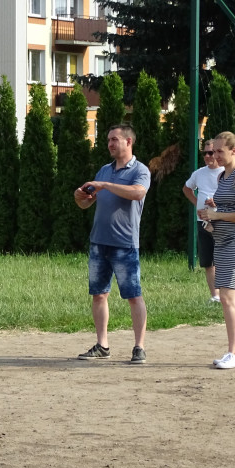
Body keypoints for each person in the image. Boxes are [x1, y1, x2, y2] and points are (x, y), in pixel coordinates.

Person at [74, 123, 151, 364]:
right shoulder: (104, 170)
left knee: (133, 296)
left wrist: (105, 185)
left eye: (114, 139)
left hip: (125, 243)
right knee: (99, 295)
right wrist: (81, 199)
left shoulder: (140, 170)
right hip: (99, 242)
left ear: (129, 142)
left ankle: (139, 347)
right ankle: (102, 345)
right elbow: (89, 202)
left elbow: (138, 193)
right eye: (108, 139)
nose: (109, 143)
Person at [199, 131, 235, 370]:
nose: (215, 156)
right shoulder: (224, 176)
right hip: (223, 242)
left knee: (227, 298)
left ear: (234, 151)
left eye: (220, 151)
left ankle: (232, 353)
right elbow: (231, 204)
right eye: (212, 151)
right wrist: (213, 212)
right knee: (234, 298)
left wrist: (218, 214)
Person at [182, 140, 223, 302]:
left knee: (224, 258)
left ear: (218, 153)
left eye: (210, 153)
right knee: (208, 260)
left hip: (222, 221)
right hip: (203, 221)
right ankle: (215, 296)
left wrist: (217, 203)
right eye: (204, 153)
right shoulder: (199, 173)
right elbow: (186, 189)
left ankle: (227, 294)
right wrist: (196, 202)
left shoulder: (226, 172)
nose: (207, 156)